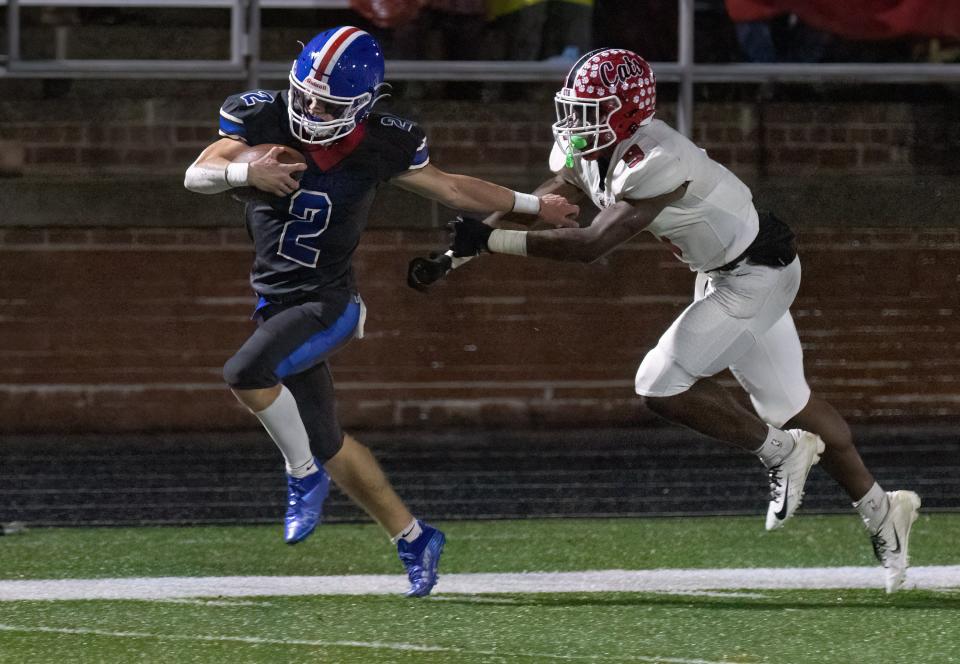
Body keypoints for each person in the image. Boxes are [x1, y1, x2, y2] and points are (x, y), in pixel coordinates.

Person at [409, 47, 921, 593]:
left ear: (629, 111)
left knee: (659, 382)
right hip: (727, 270)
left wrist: (490, 240)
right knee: (789, 405)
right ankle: (882, 507)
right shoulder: (592, 146)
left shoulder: (657, 160)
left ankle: (783, 451)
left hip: (755, 273)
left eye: (591, 109)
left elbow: (591, 245)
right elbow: (547, 198)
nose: (575, 122)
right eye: (574, 107)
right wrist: (459, 254)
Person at [183, 25, 576, 597]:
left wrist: (534, 204)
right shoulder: (259, 118)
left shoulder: (380, 143)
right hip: (277, 304)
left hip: (329, 302)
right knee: (329, 441)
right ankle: (414, 536)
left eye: (329, 102)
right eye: (308, 94)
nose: (313, 109)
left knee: (246, 373)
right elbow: (197, 174)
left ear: (363, 105)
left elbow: (454, 190)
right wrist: (248, 172)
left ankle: (301, 477)